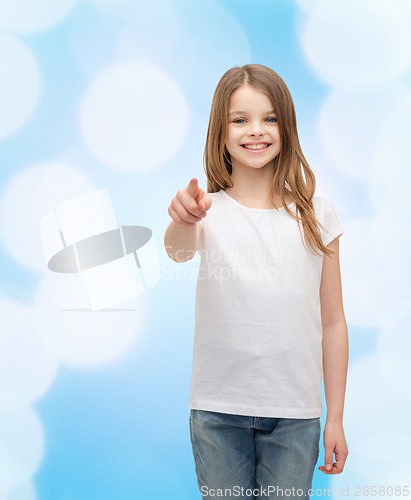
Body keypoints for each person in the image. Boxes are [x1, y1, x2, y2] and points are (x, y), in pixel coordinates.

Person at [164, 64, 349, 500]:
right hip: (217, 413)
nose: (256, 131)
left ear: (286, 126)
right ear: (221, 130)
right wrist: (181, 216)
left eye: (269, 118)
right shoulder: (205, 209)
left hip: (295, 415)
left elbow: (333, 322)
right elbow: (177, 250)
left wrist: (335, 417)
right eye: (240, 119)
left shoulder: (316, 217)